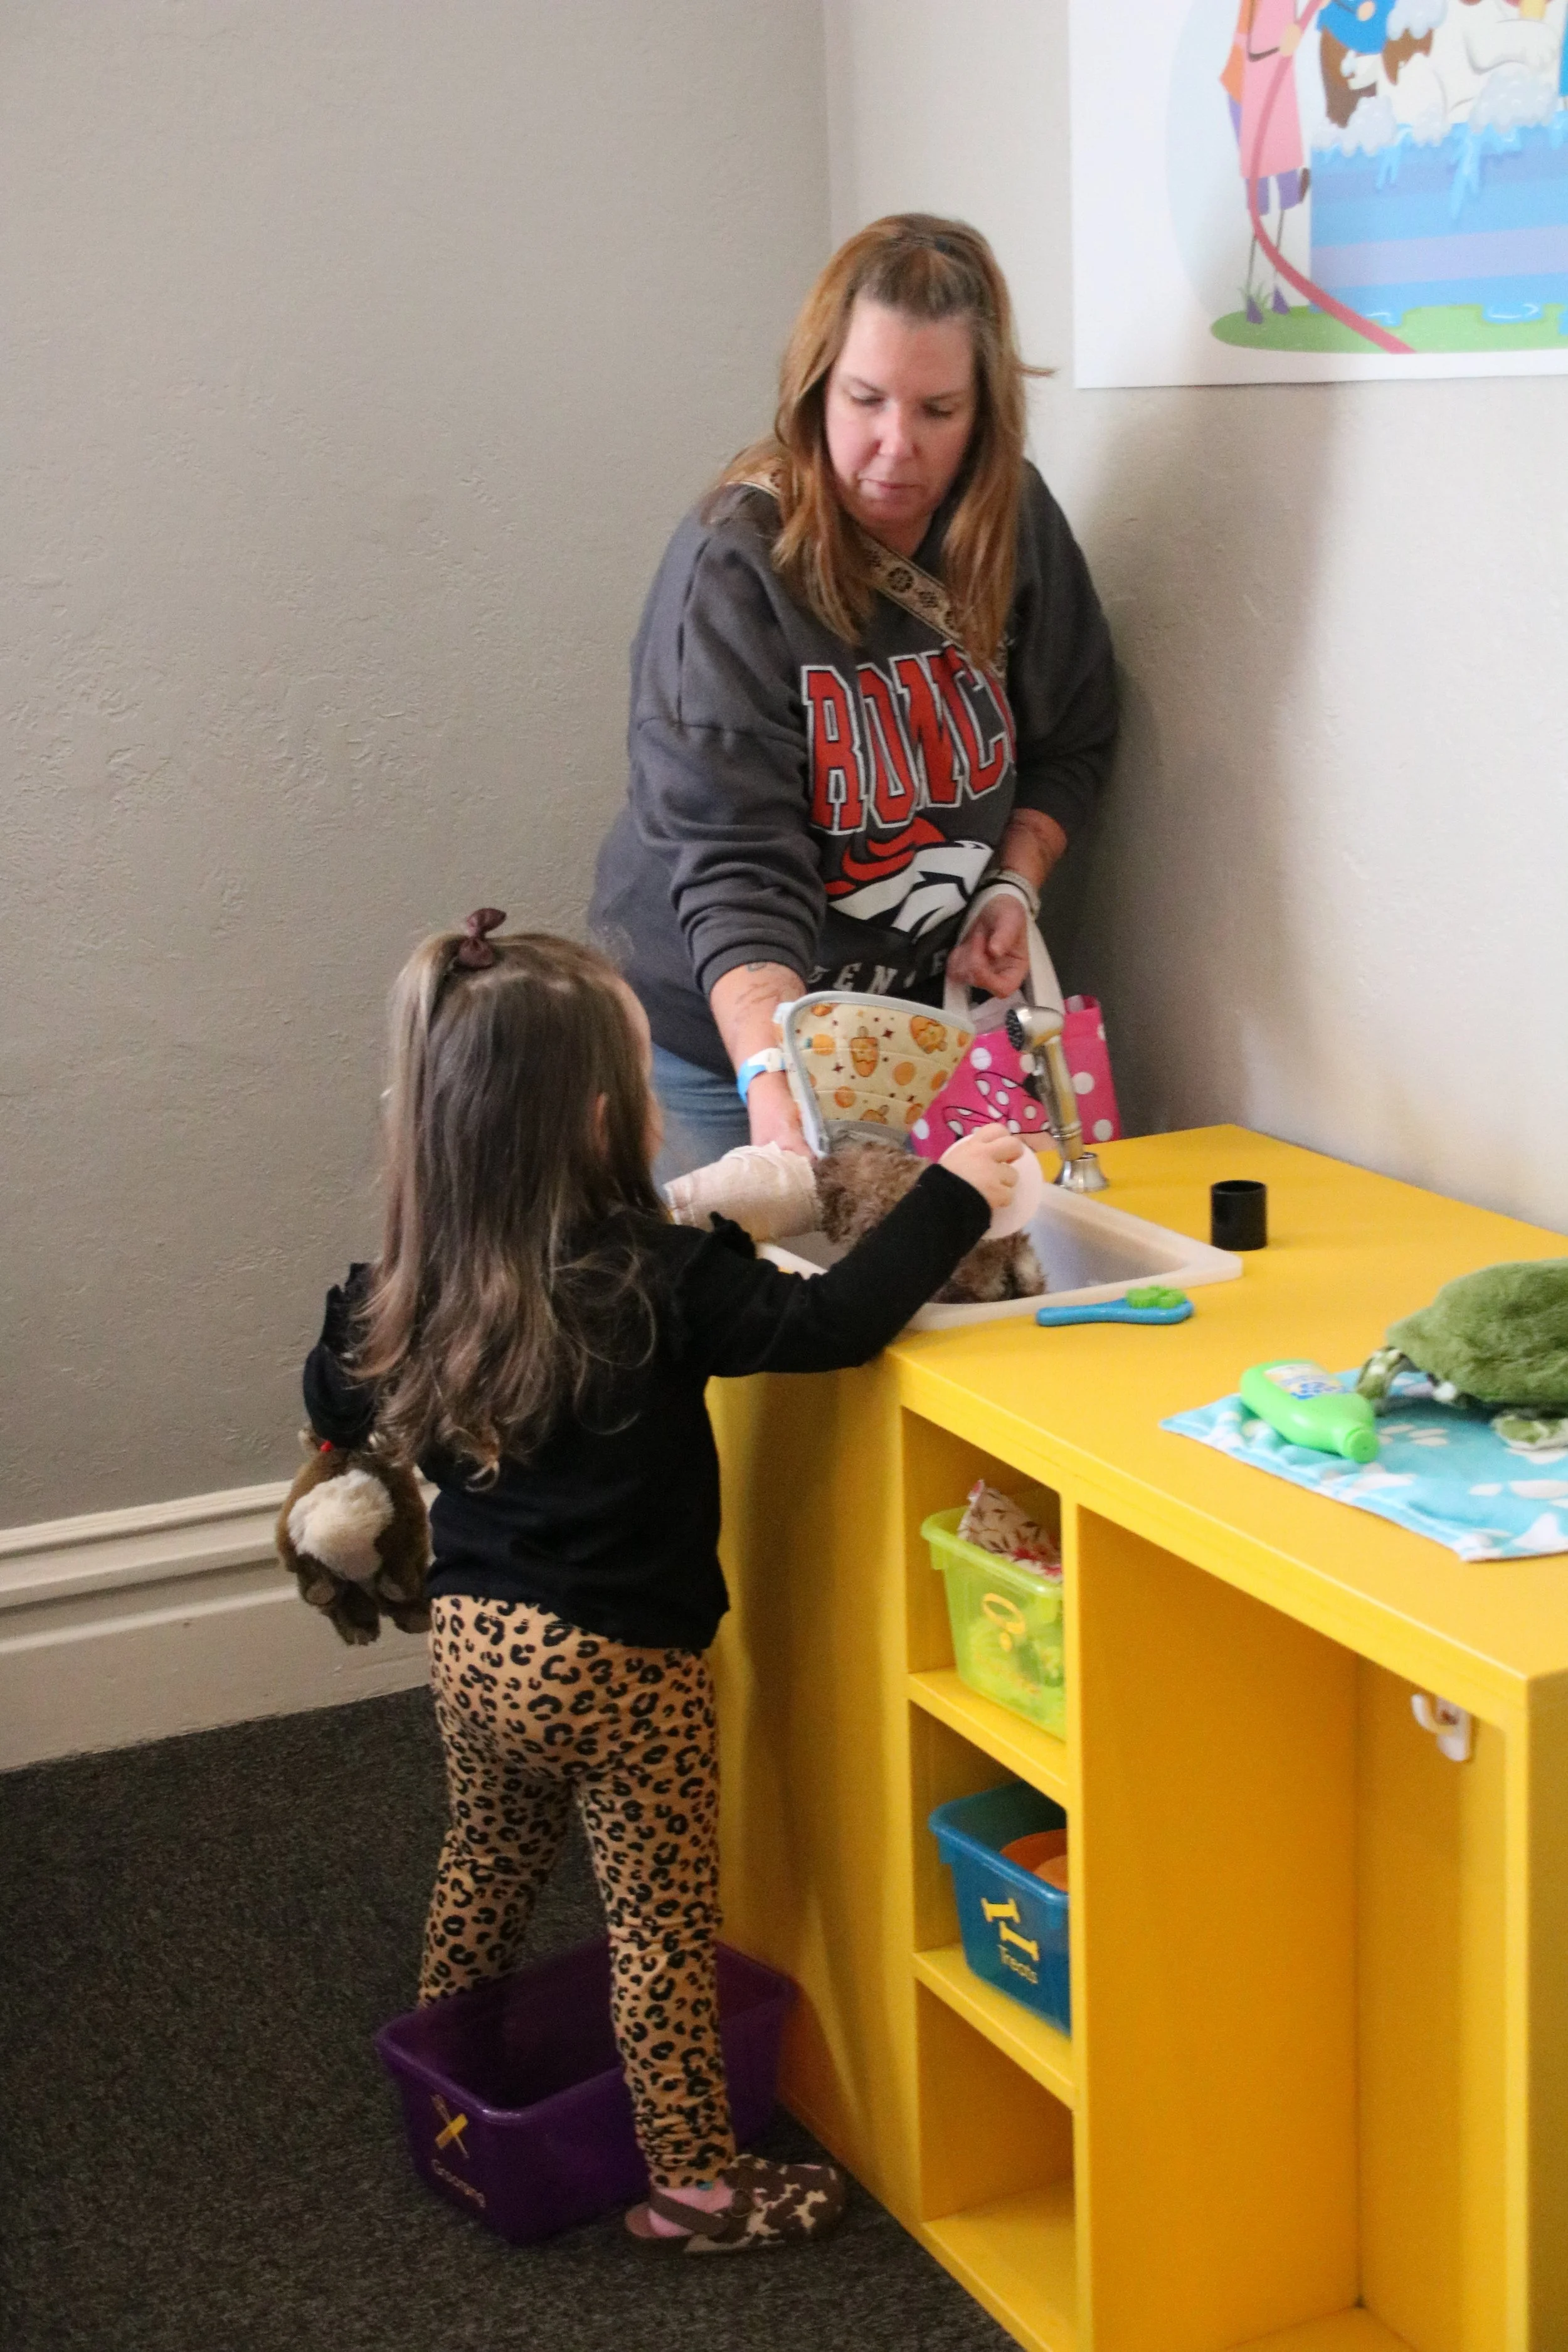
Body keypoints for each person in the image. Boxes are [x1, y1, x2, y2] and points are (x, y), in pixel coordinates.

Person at [300, 912, 1024, 2251]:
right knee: (658, 1926)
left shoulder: (396, 1285)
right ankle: (692, 2182)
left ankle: (452, 2074)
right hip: (623, 1666)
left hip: (471, 1644)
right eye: (637, 1088)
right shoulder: (657, 1277)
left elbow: (334, 1396)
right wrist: (955, 1192)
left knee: (486, 1856)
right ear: (592, 1122)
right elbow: (832, 1323)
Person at [590, 213, 1117, 1180]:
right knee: (760, 1307)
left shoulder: (1011, 525)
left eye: (938, 410)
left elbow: (1073, 736)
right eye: (864, 399)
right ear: (814, 389)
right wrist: (766, 1070)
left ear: (986, 413)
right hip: (719, 1048)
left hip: (922, 1036)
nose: (894, 445)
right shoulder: (735, 563)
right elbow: (733, 860)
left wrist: (1013, 881)